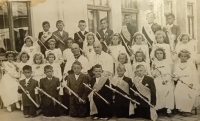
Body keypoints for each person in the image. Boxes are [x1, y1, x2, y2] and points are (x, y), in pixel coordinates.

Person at [173, 50, 200, 116]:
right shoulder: (177, 64)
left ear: (188, 57)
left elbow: (194, 74)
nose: (183, 58)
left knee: (187, 93)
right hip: (180, 81)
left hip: (189, 81)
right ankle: (180, 109)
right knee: (177, 92)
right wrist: (175, 76)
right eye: (181, 56)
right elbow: (175, 73)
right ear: (179, 57)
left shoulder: (191, 64)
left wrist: (192, 82)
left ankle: (187, 110)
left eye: (185, 56)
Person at [151, 48, 174, 117]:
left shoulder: (166, 62)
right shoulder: (154, 62)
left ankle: (168, 108)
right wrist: (154, 71)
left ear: (163, 54)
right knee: (157, 89)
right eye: (157, 54)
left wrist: (166, 80)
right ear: (155, 55)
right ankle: (159, 107)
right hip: (157, 78)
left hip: (166, 79)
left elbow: (169, 73)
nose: (159, 55)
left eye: (161, 53)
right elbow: (152, 73)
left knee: (168, 89)